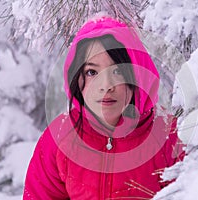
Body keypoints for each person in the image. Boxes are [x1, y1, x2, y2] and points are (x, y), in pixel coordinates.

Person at [23, 16, 184, 200]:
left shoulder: (168, 137)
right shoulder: (59, 138)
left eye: (117, 71)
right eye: (92, 72)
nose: (106, 85)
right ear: (78, 78)